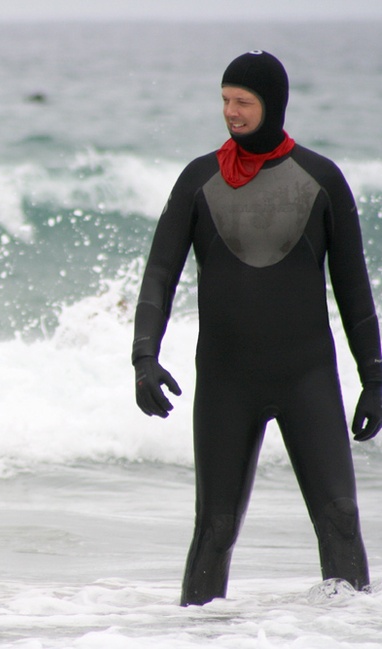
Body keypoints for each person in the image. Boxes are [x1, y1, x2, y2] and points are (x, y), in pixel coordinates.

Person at [131, 50, 382, 606]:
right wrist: (144, 358)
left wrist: (376, 375)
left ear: (272, 105)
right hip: (227, 382)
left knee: (340, 522)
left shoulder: (320, 180)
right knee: (214, 532)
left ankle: (354, 637)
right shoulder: (199, 180)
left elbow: (354, 289)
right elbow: (159, 275)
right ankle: (194, 641)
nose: (231, 112)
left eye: (243, 101)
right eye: (224, 100)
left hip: (307, 379)